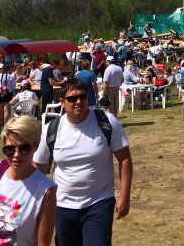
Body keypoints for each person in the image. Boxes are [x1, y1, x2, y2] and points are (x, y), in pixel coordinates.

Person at [34, 79, 132, 245]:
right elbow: (39, 167)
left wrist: (125, 196)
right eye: (72, 99)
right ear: (62, 102)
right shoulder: (51, 129)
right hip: (62, 204)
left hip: (99, 202)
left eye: (83, 97)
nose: (78, 102)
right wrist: (36, 203)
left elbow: (125, 159)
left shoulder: (106, 121)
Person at [0, 116, 57, 246]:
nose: (16, 155)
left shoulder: (45, 191)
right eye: (10, 150)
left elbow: (43, 243)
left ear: (36, 146)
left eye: (24, 148)